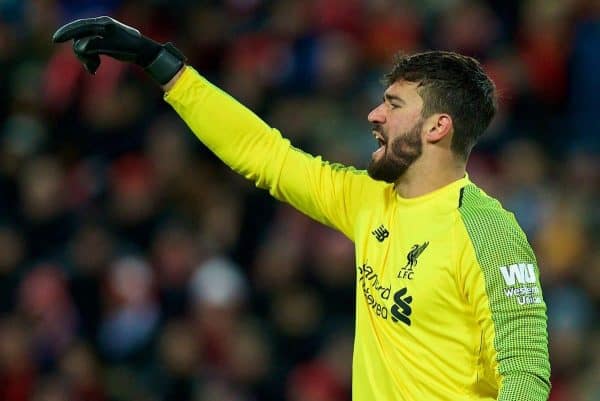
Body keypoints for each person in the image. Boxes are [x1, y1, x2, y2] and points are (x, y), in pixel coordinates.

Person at [52, 16, 551, 401]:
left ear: (437, 127)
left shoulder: (488, 233)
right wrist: (159, 63)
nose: (374, 115)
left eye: (394, 105)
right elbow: (265, 155)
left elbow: (526, 371)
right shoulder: (367, 198)